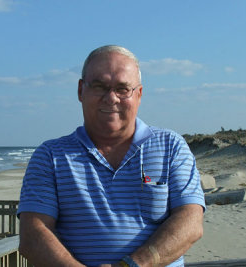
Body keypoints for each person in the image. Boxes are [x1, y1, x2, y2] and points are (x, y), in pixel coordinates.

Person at [17, 45, 205, 267]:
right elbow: (33, 234)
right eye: (99, 86)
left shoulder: (171, 147)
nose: (111, 98)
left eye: (123, 89)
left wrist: (131, 265)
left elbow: (191, 222)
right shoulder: (50, 156)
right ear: (81, 90)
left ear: (139, 94)